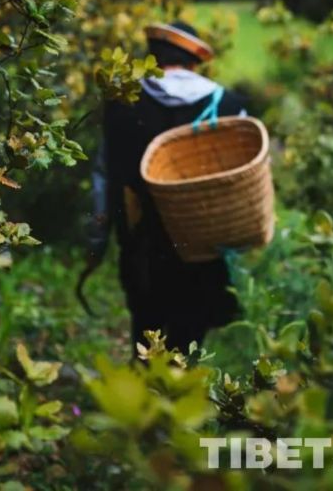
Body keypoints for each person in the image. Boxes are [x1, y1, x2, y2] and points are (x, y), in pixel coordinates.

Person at [87, 21, 246, 355]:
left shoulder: (121, 103)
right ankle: (175, 399)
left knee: (145, 336)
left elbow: (103, 175)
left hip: (140, 248)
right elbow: (244, 184)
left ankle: (142, 398)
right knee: (188, 340)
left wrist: (97, 240)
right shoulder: (229, 106)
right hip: (203, 250)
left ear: (154, 58)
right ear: (193, 63)